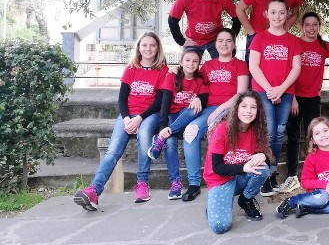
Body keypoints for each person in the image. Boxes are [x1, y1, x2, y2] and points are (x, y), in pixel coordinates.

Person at [73, 32, 168, 210]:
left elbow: (159, 102)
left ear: (158, 48)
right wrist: (126, 119)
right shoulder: (131, 69)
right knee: (113, 149)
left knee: (144, 135)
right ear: (139, 47)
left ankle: (142, 183)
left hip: (150, 115)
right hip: (128, 116)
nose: (148, 48)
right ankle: (94, 191)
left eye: (152, 45)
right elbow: (122, 100)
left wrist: (139, 119)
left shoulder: (162, 70)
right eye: (144, 45)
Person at [179, 28, 250, 201]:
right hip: (209, 109)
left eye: (228, 41)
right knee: (190, 132)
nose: (224, 44)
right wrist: (176, 72)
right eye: (220, 41)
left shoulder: (240, 65)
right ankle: (194, 184)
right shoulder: (207, 66)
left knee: (216, 134)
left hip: (231, 108)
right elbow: (192, 81)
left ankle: (221, 180)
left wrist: (219, 111)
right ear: (215, 44)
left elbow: (241, 94)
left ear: (234, 44)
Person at [281, 12, 329, 194]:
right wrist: (292, 97)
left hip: (313, 98)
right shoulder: (295, 43)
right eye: (307, 24)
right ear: (302, 26)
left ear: (319, 26)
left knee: (315, 138)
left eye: (315, 24)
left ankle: (316, 176)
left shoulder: (324, 46)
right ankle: (292, 176)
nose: (311, 28)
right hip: (294, 97)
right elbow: (287, 71)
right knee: (293, 137)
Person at [248, 0, 302, 196]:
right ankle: (262, 176)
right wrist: (271, 90)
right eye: (273, 12)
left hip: (285, 92)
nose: (277, 16)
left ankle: (271, 174)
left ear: (287, 14)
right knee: (269, 132)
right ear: (266, 14)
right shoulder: (259, 38)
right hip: (263, 91)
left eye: (281, 12)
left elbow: (296, 68)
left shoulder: (293, 41)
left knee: (279, 133)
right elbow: (253, 66)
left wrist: (281, 90)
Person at [204, 91, 272, 234]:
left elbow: (269, 160)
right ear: (236, 108)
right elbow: (217, 167)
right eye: (244, 106)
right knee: (220, 226)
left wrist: (263, 155)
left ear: (258, 111)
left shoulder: (257, 129)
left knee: (263, 168)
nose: (248, 111)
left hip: (240, 177)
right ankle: (215, 204)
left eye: (253, 107)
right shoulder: (222, 129)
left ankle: (245, 199)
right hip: (220, 180)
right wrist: (244, 167)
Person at [146, 50, 207, 200]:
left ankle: (161, 137)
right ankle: (175, 183)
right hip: (171, 117)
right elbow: (165, 103)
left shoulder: (200, 80)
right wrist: (163, 126)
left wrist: (199, 98)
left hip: (186, 117)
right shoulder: (171, 76)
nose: (191, 64)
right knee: (170, 142)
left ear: (199, 64)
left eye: (195, 61)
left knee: (195, 109)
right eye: (187, 60)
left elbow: (204, 99)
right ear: (181, 62)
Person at [276, 117, 329, 218]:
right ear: (312, 140)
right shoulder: (312, 157)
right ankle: (291, 201)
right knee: (323, 197)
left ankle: (306, 208)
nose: (322, 135)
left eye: (325, 130)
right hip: (318, 195)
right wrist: (323, 185)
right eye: (317, 133)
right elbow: (305, 182)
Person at [168, 0, 240, 59]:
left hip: (215, 39)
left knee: (225, 63)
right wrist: (181, 41)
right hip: (193, 40)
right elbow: (172, 20)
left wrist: (229, 38)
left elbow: (237, 18)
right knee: (188, 65)